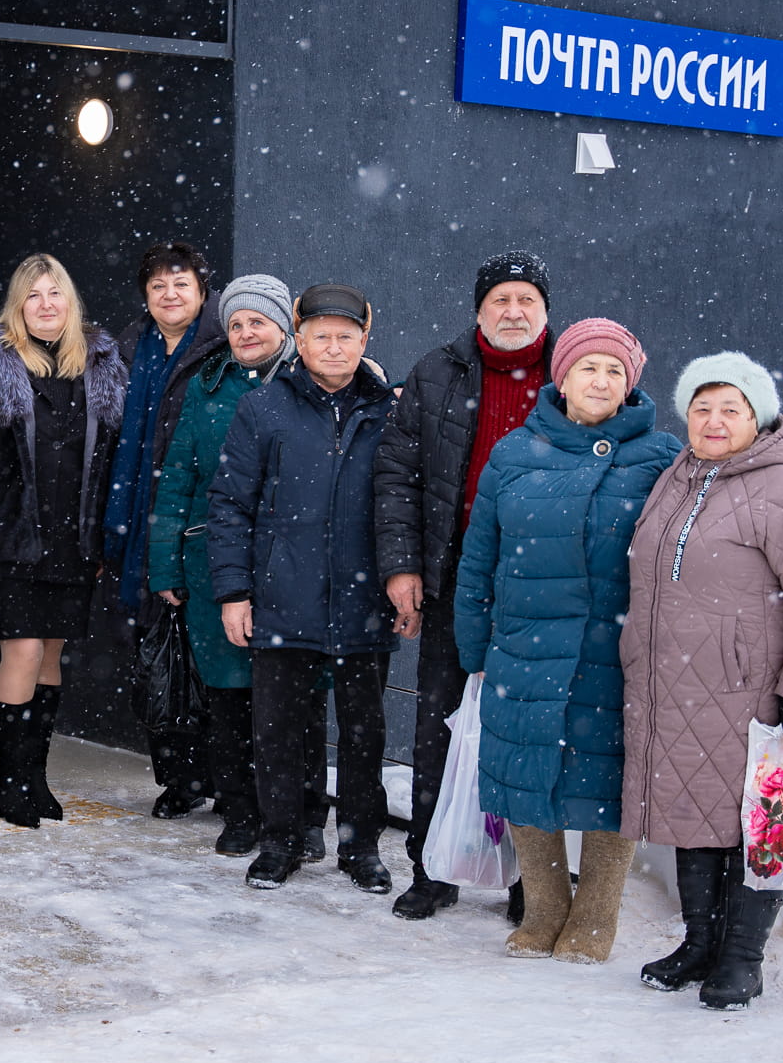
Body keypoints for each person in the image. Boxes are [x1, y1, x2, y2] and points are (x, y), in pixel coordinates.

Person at [621, 353, 783, 1009]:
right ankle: (700, 943)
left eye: (730, 408)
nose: (713, 420)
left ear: (758, 417)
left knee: (758, 824)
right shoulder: (677, 476)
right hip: (676, 687)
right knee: (693, 811)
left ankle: (743, 958)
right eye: (701, 407)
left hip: (750, 693)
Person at [454, 318, 679, 963]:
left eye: (615, 371)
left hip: (616, 649)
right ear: (562, 377)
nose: (601, 381)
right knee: (523, 771)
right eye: (588, 368)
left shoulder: (662, 456)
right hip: (524, 645)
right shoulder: (514, 452)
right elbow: (479, 557)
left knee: (611, 776)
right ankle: (546, 907)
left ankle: (597, 912)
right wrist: (474, 645)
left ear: (630, 383)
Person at [374, 250, 553, 921]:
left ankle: (531, 881)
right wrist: (403, 566)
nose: (513, 311)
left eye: (526, 299)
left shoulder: (573, 373)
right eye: (500, 299)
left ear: (545, 311)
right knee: (439, 729)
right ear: (478, 310)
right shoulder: (437, 372)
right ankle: (434, 868)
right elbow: (398, 475)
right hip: (457, 583)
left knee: (534, 733)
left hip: (545, 590)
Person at [208, 284, 398, 891]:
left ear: (365, 340)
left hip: (364, 601)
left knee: (364, 734)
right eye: (321, 336)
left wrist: (403, 579)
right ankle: (281, 841)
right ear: (300, 339)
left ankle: (360, 848)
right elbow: (230, 505)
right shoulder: (264, 407)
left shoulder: (389, 412)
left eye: (346, 336)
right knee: (278, 730)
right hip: (282, 597)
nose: (333, 347)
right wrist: (234, 592)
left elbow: (405, 504)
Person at [0, 255, 126, 828]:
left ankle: (36, 776)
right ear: (18, 306)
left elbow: (107, 459)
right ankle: (10, 779)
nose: (46, 304)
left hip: (74, 539)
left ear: (70, 302)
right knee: (22, 651)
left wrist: (102, 535)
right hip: (10, 534)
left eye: (55, 293)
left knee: (51, 654)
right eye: (33, 295)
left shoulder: (101, 365)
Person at [146, 274, 298, 857]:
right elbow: (177, 477)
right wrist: (166, 566)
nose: (245, 333)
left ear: (283, 327)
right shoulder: (207, 387)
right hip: (214, 561)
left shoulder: (307, 382)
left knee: (290, 698)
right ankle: (239, 811)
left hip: (292, 565)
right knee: (229, 695)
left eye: (258, 321)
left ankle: (299, 816)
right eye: (235, 324)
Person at [104, 242, 227, 819]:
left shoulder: (223, 347)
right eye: (158, 286)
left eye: (181, 284)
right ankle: (179, 778)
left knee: (211, 655)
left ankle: (227, 779)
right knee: (157, 654)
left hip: (199, 515)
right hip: (139, 519)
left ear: (203, 291)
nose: (170, 295)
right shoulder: (128, 350)